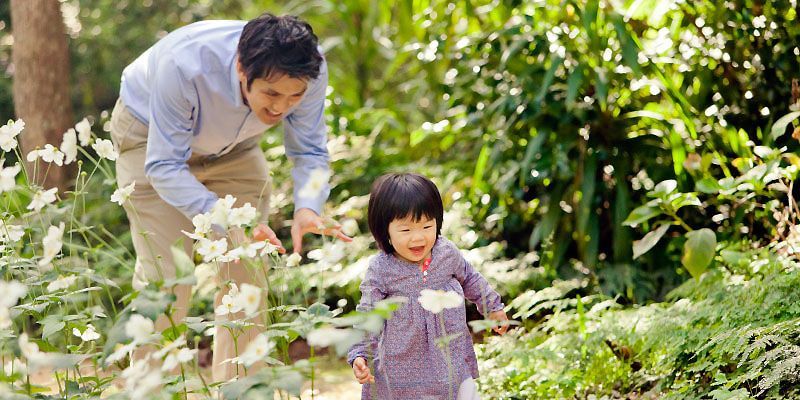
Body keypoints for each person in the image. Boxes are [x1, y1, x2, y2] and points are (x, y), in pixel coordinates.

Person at [109, 13, 350, 381]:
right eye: (271, 93)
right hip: (150, 142)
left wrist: (308, 206)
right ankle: (149, 388)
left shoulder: (308, 68)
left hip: (234, 150)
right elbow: (163, 166)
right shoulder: (184, 64)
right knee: (169, 280)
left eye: (293, 97)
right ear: (241, 68)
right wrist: (228, 216)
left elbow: (311, 152)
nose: (281, 108)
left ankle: (242, 389)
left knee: (247, 275)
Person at [347, 173, 509, 400]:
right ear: (385, 231)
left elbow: (471, 278)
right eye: (405, 230)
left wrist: (492, 307)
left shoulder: (446, 252)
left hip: (450, 360)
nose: (418, 238)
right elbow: (368, 315)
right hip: (402, 373)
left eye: (426, 226)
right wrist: (360, 353)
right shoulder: (382, 269)